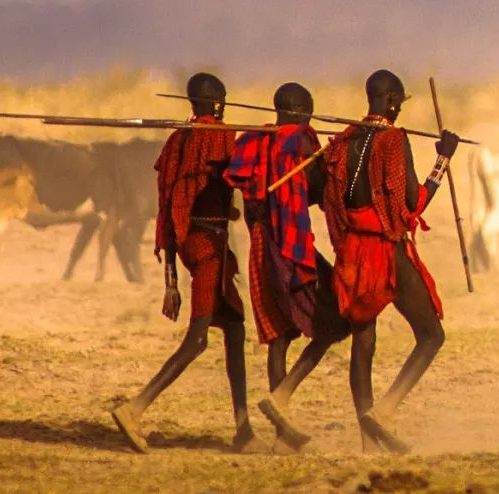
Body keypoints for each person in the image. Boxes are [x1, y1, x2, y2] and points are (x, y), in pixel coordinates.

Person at [109, 72, 259, 454]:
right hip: (209, 245)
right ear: (220, 104)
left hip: (193, 242)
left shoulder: (178, 140)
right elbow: (236, 177)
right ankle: (134, 408)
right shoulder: (222, 136)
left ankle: (243, 429)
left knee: (236, 328)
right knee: (197, 339)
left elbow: (172, 204)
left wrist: (172, 272)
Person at [322, 69, 459, 452]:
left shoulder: (343, 141)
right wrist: (443, 161)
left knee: (363, 343)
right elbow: (412, 204)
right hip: (385, 249)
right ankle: (383, 413)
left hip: (351, 250)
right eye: (400, 101)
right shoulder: (393, 142)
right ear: (394, 101)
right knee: (432, 335)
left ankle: (369, 445)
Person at [224, 81, 351, 449]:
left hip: (259, 245)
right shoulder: (300, 142)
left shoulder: (252, 143)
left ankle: (282, 437)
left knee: (279, 336)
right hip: (289, 247)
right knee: (337, 320)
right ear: (301, 112)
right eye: (308, 111)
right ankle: (281, 400)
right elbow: (312, 194)